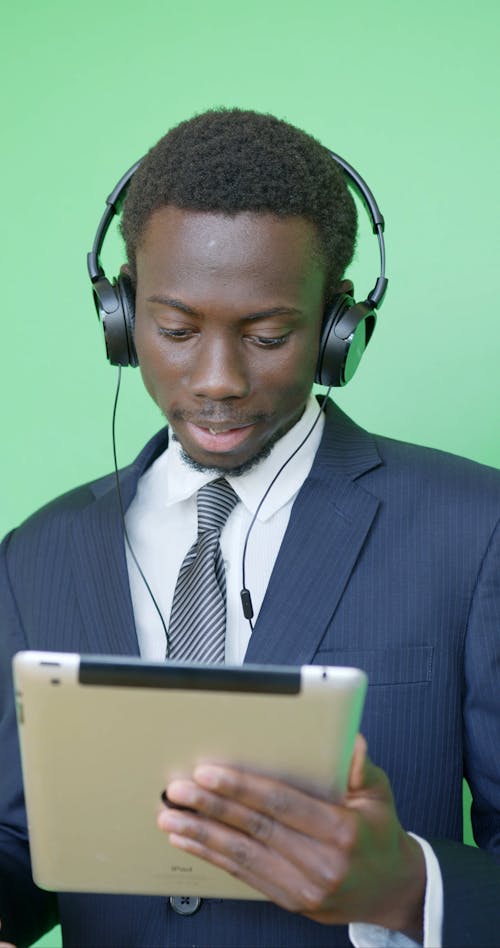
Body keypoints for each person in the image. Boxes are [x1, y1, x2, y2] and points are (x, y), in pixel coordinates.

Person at [1, 108, 499, 948]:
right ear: (119, 315)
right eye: (175, 330)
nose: (219, 380)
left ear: (341, 326)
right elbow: (22, 841)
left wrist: (410, 887)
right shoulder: (35, 555)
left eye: (269, 335)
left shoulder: (475, 531)